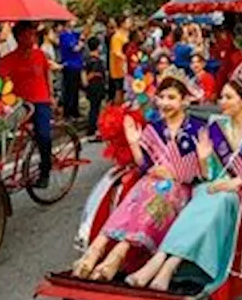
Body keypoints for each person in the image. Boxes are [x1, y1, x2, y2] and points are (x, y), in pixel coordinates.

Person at [126, 65, 242, 291]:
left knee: (219, 200)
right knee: (202, 195)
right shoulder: (217, 127)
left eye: (228, 97)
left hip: (239, 192)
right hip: (212, 186)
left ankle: (167, 265)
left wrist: (233, 183)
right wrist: (204, 159)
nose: (221, 101)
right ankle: (161, 260)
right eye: (222, 96)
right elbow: (208, 174)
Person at [72, 71, 204, 281]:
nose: (164, 103)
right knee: (132, 202)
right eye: (162, 97)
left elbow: (202, 169)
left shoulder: (197, 129)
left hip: (179, 187)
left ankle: (117, 255)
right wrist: (134, 142)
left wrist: (173, 173)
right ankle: (96, 249)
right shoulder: (155, 128)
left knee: (153, 204)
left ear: (184, 101)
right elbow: (144, 165)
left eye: (171, 98)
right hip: (150, 182)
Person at [0, 22, 53, 187]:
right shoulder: (8, 59)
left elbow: (46, 75)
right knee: (0, 132)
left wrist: (51, 97)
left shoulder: (40, 55)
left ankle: (45, 170)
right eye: (27, 35)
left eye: (33, 34)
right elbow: (0, 82)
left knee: (44, 135)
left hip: (41, 100)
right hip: (20, 103)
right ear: (18, 37)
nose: (31, 38)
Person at [83, 35, 108, 137]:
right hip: (96, 86)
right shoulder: (96, 61)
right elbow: (93, 74)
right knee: (95, 108)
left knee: (94, 108)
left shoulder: (87, 59)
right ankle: (93, 128)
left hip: (92, 86)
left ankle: (93, 128)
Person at [58, 22, 84, 122]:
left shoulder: (73, 34)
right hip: (70, 65)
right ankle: (68, 111)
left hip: (76, 65)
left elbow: (82, 34)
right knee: (70, 90)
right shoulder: (64, 36)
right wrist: (80, 44)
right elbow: (74, 48)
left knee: (75, 90)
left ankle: (74, 110)